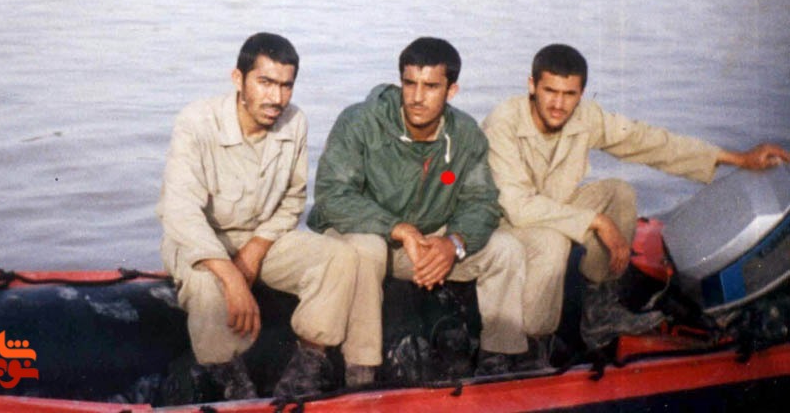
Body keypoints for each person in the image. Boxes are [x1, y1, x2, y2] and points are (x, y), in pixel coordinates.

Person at [481, 43, 790, 352]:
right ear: (532, 85)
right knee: (551, 243)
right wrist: (597, 221)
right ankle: (531, 343)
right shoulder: (503, 123)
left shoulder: (584, 116)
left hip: (552, 209)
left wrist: (735, 158)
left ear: (581, 93)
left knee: (620, 194)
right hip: (505, 223)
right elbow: (518, 207)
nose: (559, 105)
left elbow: (647, 142)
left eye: (569, 94)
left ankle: (599, 312)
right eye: (550, 91)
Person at [308, 37, 529, 383]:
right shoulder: (359, 121)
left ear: (452, 90)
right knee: (367, 248)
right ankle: (361, 367)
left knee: (506, 248)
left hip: (424, 247)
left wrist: (453, 243)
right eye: (409, 84)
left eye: (430, 86)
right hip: (367, 238)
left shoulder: (466, 134)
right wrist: (398, 228)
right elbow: (332, 196)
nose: (416, 97)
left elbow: (482, 202)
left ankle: (497, 359)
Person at [156, 33, 358, 401]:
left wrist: (254, 251)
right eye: (265, 82)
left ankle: (307, 368)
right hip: (201, 240)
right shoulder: (197, 122)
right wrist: (231, 276)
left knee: (339, 257)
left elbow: (292, 200)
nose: (277, 98)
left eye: (286, 86)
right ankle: (229, 381)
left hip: (260, 238)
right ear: (238, 79)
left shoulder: (294, 122)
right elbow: (181, 213)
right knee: (205, 286)